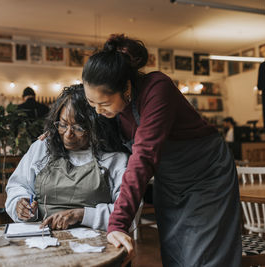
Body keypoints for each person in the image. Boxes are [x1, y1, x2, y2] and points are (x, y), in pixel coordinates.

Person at [82, 34, 241, 266]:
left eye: (104, 104)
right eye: (91, 103)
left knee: (204, 257)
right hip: (170, 181)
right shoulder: (108, 108)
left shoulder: (157, 89)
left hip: (206, 176)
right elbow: (75, 110)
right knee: (175, 254)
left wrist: (117, 224)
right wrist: (52, 135)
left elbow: (143, 157)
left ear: (126, 87)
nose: (97, 111)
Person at [5, 84, 128, 231]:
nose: (68, 134)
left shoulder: (114, 159)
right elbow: (17, 185)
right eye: (62, 125)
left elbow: (128, 213)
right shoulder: (43, 148)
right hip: (41, 238)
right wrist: (20, 203)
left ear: (96, 127)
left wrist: (82, 215)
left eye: (78, 128)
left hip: (95, 244)